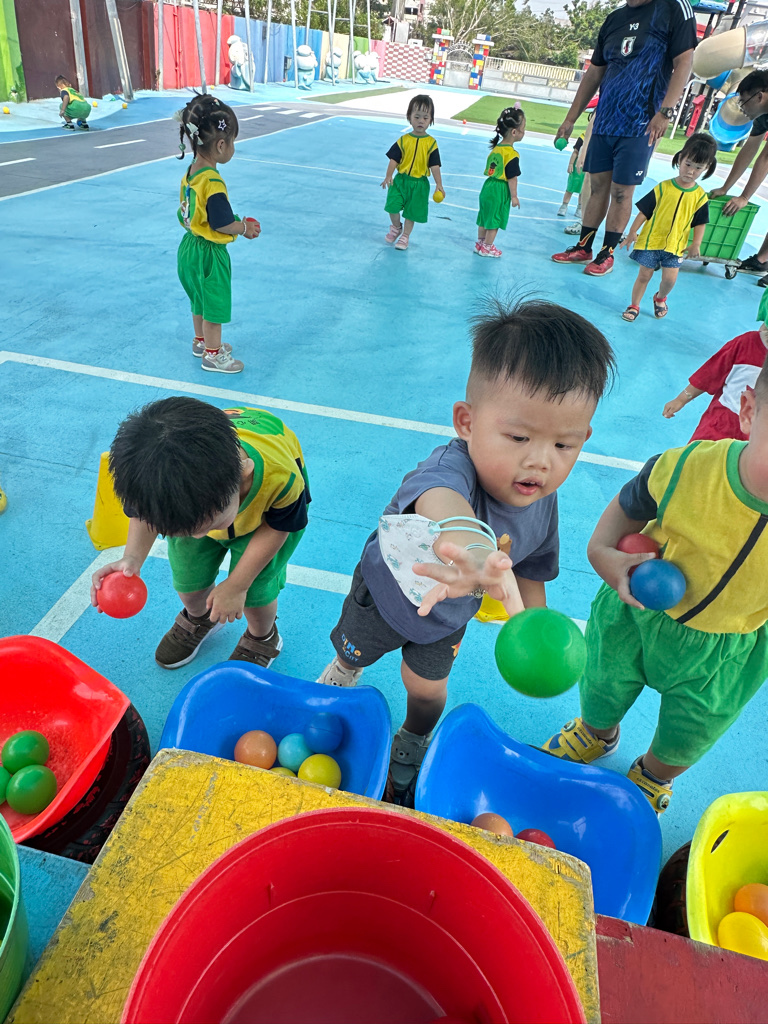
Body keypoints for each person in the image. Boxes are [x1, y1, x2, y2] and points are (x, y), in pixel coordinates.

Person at [316, 298, 616, 807]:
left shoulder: (542, 503)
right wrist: (476, 551)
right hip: (384, 595)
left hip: (447, 617)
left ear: (584, 438)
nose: (540, 461)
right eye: (518, 436)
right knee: (353, 651)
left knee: (428, 691)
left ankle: (412, 739)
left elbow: (531, 569)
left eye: (564, 445)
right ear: (467, 422)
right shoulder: (447, 470)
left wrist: (533, 628)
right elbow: (442, 506)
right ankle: (345, 672)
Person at [543, 362, 768, 813]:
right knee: (602, 682)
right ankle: (598, 732)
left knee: (693, 729)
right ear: (748, 412)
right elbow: (631, 504)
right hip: (634, 614)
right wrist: (602, 551)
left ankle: (654, 774)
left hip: (724, 651)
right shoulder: (688, 467)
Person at [90, 399, 310, 670]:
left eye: (207, 526)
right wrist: (132, 559)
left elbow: (280, 527)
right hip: (198, 507)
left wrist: (237, 585)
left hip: (267, 525)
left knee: (255, 592)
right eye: (186, 531)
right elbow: (144, 516)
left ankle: (263, 636)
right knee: (188, 581)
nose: (198, 537)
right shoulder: (148, 481)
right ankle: (200, 617)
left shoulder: (282, 479)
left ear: (243, 474)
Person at [550, 0, 696, 277]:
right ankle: (584, 247)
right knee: (597, 186)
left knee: (621, 192)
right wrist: (570, 118)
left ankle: (607, 254)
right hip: (605, 120)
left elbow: (684, 61)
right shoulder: (614, 19)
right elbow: (595, 71)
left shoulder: (673, 8)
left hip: (641, 124)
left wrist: (665, 111)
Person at [174, 93, 260, 374]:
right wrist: (244, 228)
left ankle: (200, 341)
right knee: (214, 303)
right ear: (221, 145)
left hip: (189, 247)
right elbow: (221, 223)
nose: (233, 147)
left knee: (198, 298)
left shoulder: (191, 172)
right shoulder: (213, 182)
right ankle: (213, 354)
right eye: (232, 141)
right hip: (210, 254)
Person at [620, 133, 717, 321]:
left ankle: (660, 298)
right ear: (680, 159)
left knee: (670, 280)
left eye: (698, 168)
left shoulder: (700, 196)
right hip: (651, 242)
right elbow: (644, 212)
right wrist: (632, 231)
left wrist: (696, 243)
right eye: (688, 164)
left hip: (675, 246)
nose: (691, 171)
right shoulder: (663, 188)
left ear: (707, 168)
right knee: (644, 275)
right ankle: (634, 305)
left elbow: (700, 222)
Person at [663, 315, 768, 441]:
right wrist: (682, 399)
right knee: (698, 452)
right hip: (718, 426)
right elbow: (711, 372)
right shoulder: (747, 343)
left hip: (757, 438)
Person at [710, 70, 768, 284]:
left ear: (759, 97)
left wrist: (744, 197)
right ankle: (762, 261)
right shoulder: (762, 114)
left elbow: (766, 157)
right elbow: (750, 149)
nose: (741, 107)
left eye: (743, 101)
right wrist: (725, 188)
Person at [381, 94, 445, 251]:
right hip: (400, 181)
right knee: (392, 206)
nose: (421, 121)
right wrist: (389, 175)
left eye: (425, 117)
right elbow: (394, 159)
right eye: (417, 117)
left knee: (411, 212)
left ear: (431, 120)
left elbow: (435, 166)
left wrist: (439, 184)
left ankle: (405, 236)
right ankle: (396, 227)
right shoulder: (403, 140)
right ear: (409, 117)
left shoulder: (431, 143)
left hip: (419, 184)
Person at [475, 107, 525, 258]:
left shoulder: (496, 149)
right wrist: (514, 196)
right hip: (499, 189)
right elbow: (512, 178)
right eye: (523, 129)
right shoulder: (512, 154)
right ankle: (487, 247)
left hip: (488, 186)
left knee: (484, 216)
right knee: (495, 219)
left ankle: (480, 243)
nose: (524, 132)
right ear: (514, 132)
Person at [558, 131, 586, 219]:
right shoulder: (583, 137)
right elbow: (575, 152)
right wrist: (571, 164)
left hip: (587, 168)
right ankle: (564, 206)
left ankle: (579, 208)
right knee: (570, 187)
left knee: (583, 190)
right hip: (577, 168)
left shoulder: (598, 137)